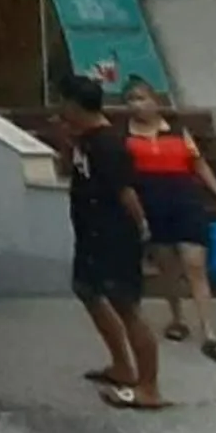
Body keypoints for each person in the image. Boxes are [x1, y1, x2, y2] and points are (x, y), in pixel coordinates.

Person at [60, 73, 162, 411]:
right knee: (86, 290)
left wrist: (144, 235)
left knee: (127, 307)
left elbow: (127, 192)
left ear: (75, 105)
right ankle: (121, 365)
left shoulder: (108, 144)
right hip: (90, 234)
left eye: (65, 103)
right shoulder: (85, 140)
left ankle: (149, 386)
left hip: (114, 236)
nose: (61, 110)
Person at [122, 76, 216, 364]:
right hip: (152, 205)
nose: (138, 105)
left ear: (156, 100)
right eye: (132, 100)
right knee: (167, 267)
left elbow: (199, 164)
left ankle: (209, 331)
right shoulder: (125, 137)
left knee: (195, 265)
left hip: (185, 201)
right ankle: (177, 317)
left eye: (142, 98)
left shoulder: (177, 132)